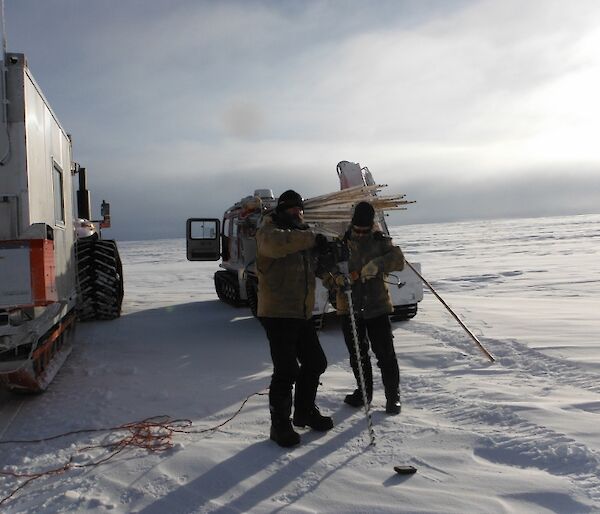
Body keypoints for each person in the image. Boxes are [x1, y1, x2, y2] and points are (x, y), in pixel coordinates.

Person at [256, 189, 334, 448]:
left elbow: (315, 268)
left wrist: (333, 267)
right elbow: (276, 246)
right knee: (287, 370)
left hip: (301, 312)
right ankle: (279, 425)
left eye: (299, 209)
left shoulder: (302, 235)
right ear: (281, 210)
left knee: (315, 362)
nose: (296, 213)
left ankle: (304, 411)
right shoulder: (269, 231)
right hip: (277, 312)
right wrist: (312, 237)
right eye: (291, 209)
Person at [325, 201, 404, 415]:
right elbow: (326, 272)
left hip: (377, 305)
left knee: (385, 354)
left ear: (371, 225)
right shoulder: (340, 244)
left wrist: (378, 264)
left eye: (364, 229)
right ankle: (364, 392)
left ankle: (392, 396)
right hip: (348, 307)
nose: (360, 233)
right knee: (358, 355)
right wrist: (337, 280)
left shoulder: (380, 241)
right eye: (357, 229)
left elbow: (398, 259)